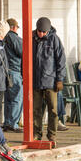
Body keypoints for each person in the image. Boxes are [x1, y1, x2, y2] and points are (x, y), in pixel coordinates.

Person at [32, 17, 66, 146]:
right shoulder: (31, 39)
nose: (41, 34)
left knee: (53, 110)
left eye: (43, 32)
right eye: (39, 31)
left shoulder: (54, 40)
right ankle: (37, 134)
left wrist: (60, 79)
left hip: (51, 82)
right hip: (35, 81)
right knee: (36, 110)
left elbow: (61, 61)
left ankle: (52, 135)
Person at [2, 18, 23, 133]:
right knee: (17, 98)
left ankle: (7, 122)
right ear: (14, 27)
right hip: (15, 71)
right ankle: (13, 124)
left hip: (5, 72)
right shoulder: (14, 38)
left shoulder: (2, 38)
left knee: (8, 99)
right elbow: (23, 53)